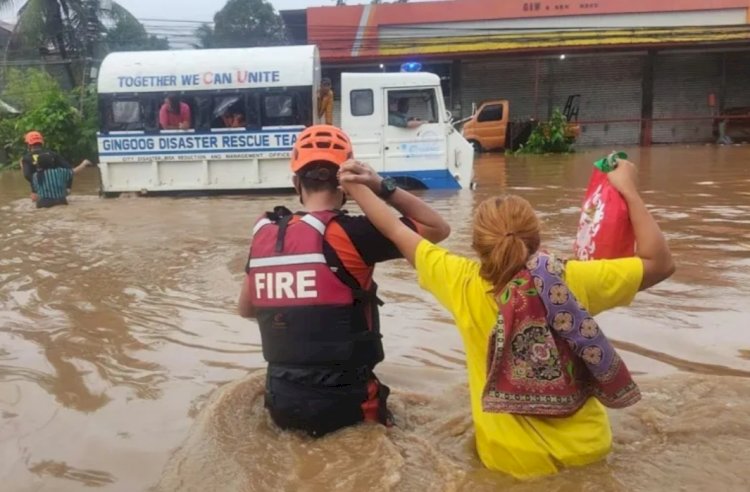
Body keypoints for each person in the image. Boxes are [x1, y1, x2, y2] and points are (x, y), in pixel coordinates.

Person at [339, 158, 675, 479]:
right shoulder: (573, 280)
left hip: (509, 460)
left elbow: (395, 230)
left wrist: (361, 186)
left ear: (476, 244)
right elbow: (660, 263)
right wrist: (628, 190)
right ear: (537, 238)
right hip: (589, 450)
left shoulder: (461, 282)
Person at [237, 125, 450, 437]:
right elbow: (438, 228)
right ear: (346, 184)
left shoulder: (265, 235)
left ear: (297, 182)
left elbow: (245, 309)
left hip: (280, 402)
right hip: (350, 404)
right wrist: (380, 186)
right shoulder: (356, 233)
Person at [20, 131, 92, 206]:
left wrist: (35, 190)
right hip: (60, 195)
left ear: (28, 145)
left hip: (40, 195)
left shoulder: (26, 159)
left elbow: (27, 175)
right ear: (42, 142)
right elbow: (70, 170)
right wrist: (68, 187)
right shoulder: (52, 155)